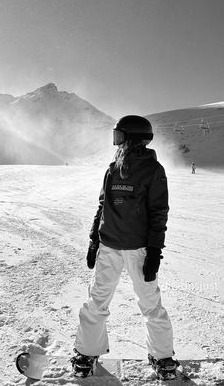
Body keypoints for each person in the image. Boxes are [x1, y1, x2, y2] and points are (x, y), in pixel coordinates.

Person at [71, 115, 179, 380]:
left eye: (119, 137)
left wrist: (154, 251)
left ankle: (162, 356)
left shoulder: (154, 171)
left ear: (132, 139)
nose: (116, 142)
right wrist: (94, 238)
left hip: (138, 249)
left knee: (151, 304)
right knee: (96, 301)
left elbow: (158, 213)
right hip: (109, 246)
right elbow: (102, 205)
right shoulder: (112, 169)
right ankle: (87, 351)